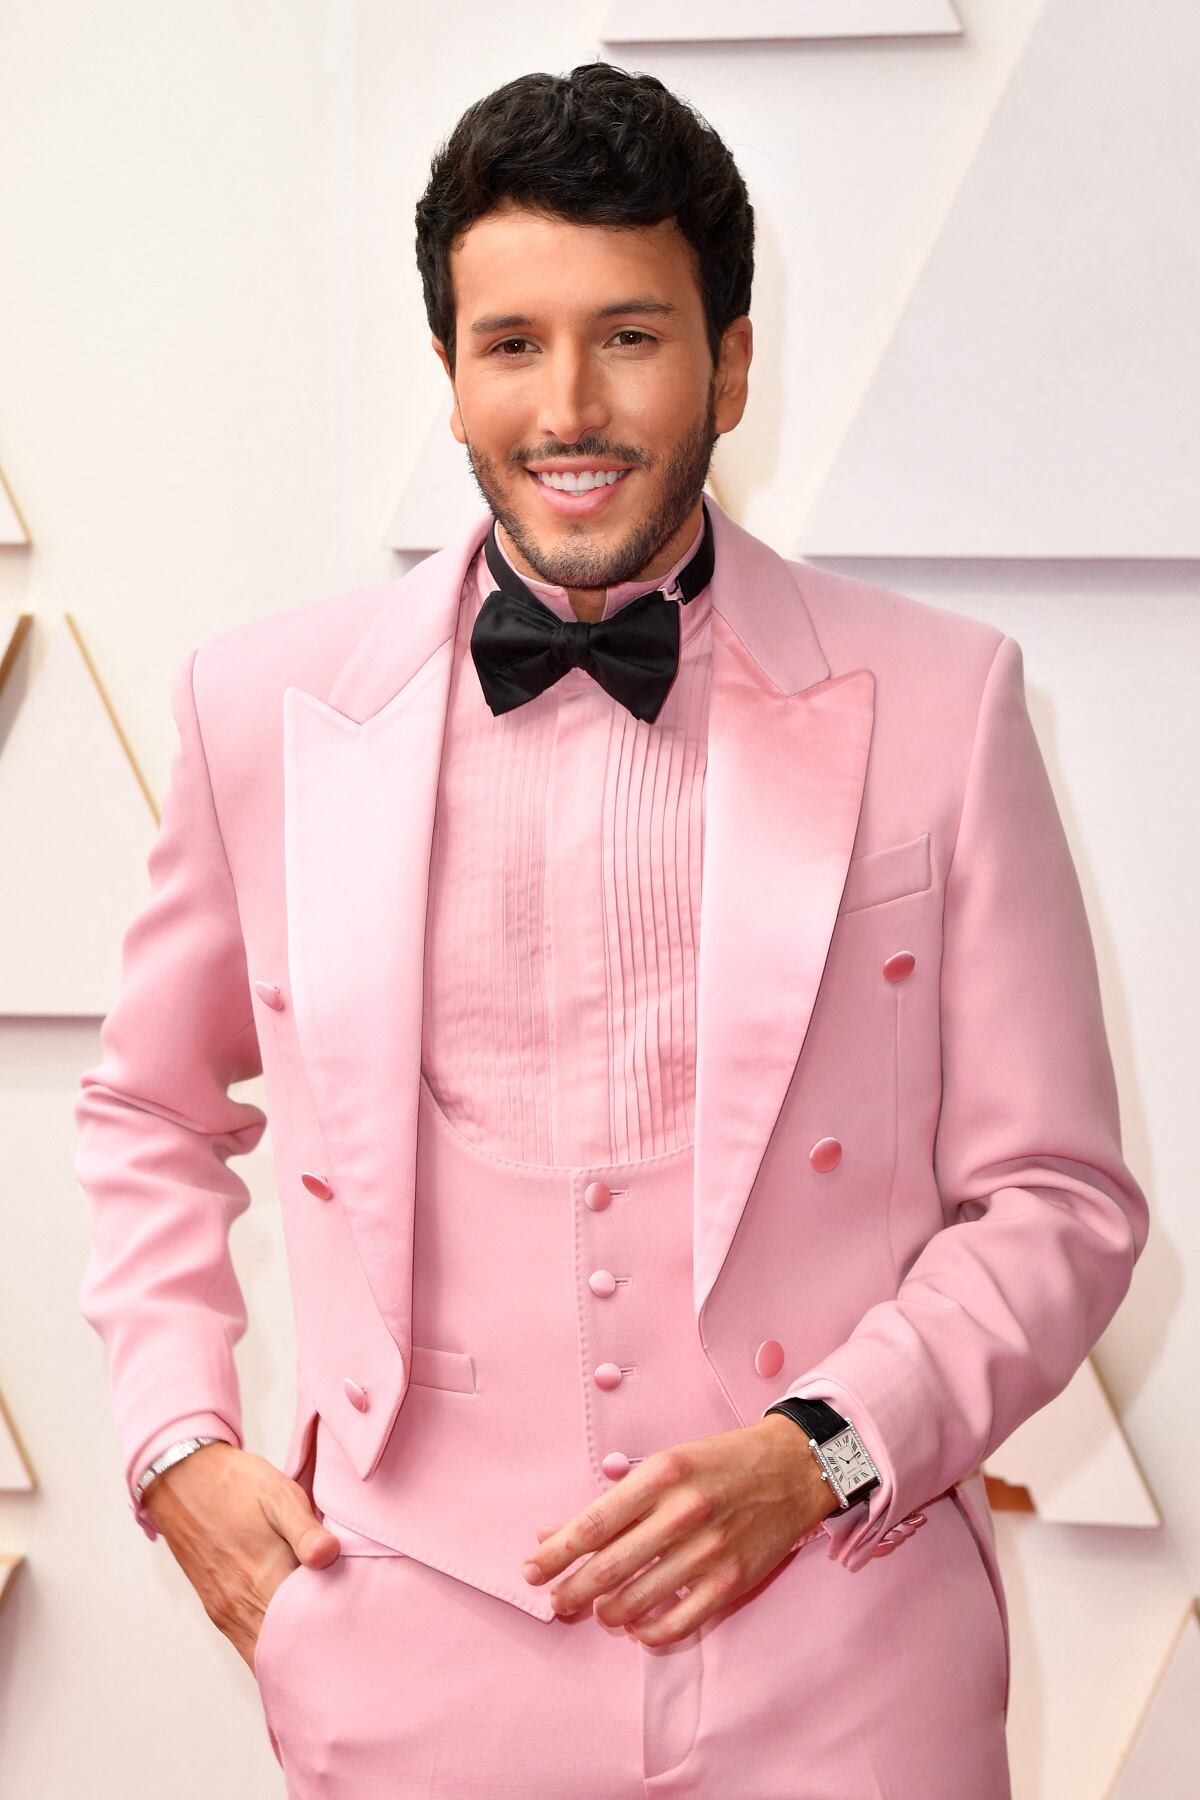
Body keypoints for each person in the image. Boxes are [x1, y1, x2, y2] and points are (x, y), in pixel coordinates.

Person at [74, 61, 1149, 1799]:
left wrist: (821, 1451)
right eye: (511, 345)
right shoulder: (258, 707)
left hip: (846, 1660)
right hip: (404, 1653)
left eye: (631, 336)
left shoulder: (947, 704)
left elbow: (1058, 1200)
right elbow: (150, 1110)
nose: (567, 404)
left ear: (732, 361)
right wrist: (175, 1441)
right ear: (450, 379)